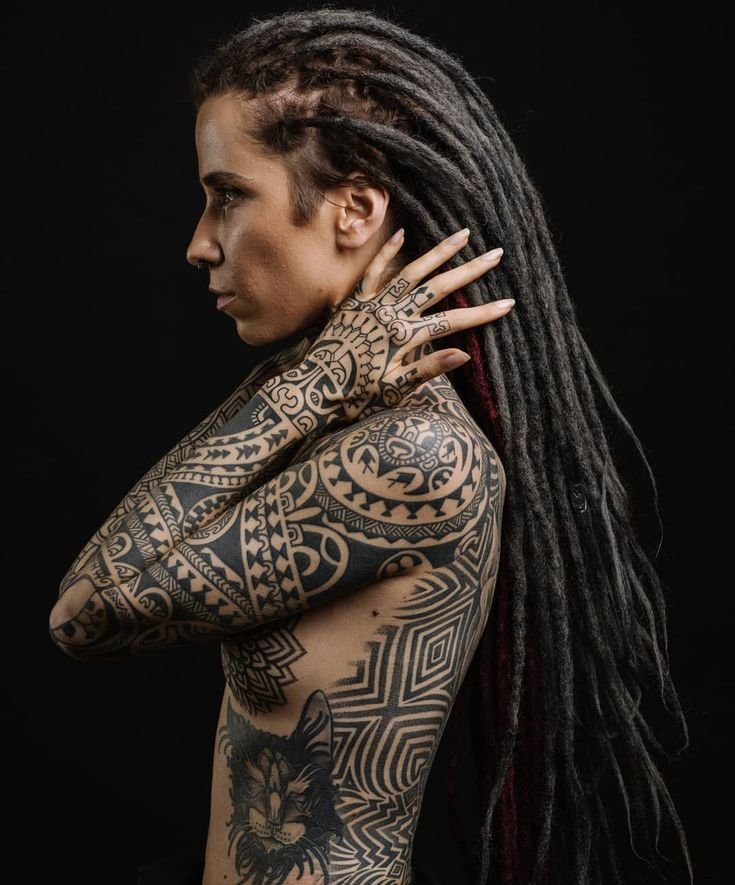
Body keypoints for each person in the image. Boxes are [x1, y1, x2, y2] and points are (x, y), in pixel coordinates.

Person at [49, 6, 693, 885]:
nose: (199, 244)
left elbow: (85, 611)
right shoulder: (346, 414)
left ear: (352, 210)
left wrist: (318, 377)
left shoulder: (415, 455)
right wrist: (322, 373)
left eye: (228, 194)